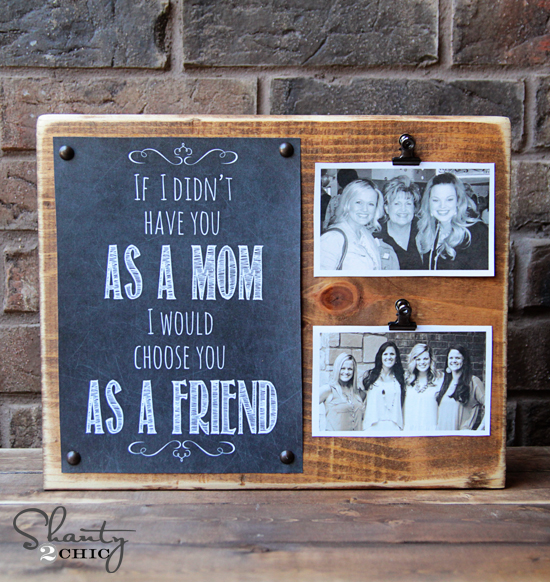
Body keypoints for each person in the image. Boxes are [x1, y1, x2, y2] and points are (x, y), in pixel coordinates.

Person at [320, 180, 399, 271]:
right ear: (347, 203)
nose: (365, 209)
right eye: (358, 202)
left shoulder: (365, 235)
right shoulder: (332, 238)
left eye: (371, 204)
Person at [416, 173, 489, 271]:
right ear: (428, 203)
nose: (442, 206)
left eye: (449, 199)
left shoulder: (477, 232)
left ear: (458, 201)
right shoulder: (428, 231)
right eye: (436, 200)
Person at [375, 175, 423, 270]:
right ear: (386, 208)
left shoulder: (424, 231)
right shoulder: (376, 235)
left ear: (414, 208)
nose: (403, 209)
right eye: (397, 203)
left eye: (408, 203)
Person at [436, 345, 485, 431]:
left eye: (457, 358)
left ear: (464, 361)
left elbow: (492, 407)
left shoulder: (473, 381)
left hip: (460, 436)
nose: (454, 361)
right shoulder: (444, 383)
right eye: (451, 358)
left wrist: (480, 430)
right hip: (442, 435)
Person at [362, 341, 405, 431]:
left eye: (392, 354)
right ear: (380, 357)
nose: (389, 357)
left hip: (394, 427)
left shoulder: (401, 378)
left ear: (396, 357)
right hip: (372, 426)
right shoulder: (370, 377)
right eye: (385, 354)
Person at [319, 353, 365, 431]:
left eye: (350, 369)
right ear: (337, 369)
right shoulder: (328, 390)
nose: (346, 372)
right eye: (342, 368)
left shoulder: (359, 393)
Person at [403, 343, 443, 432]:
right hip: (410, 430)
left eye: (425, 359)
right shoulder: (406, 380)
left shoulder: (439, 380)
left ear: (431, 360)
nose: (422, 362)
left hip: (431, 430)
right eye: (418, 359)